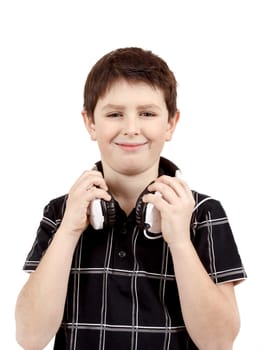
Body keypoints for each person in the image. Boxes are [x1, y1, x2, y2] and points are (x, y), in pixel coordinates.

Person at [15, 47, 247, 350]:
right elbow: (30, 337)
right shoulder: (62, 212)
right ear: (90, 123)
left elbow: (218, 342)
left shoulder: (203, 213)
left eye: (147, 114)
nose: (131, 128)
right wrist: (68, 231)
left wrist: (180, 241)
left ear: (171, 124)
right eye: (114, 114)